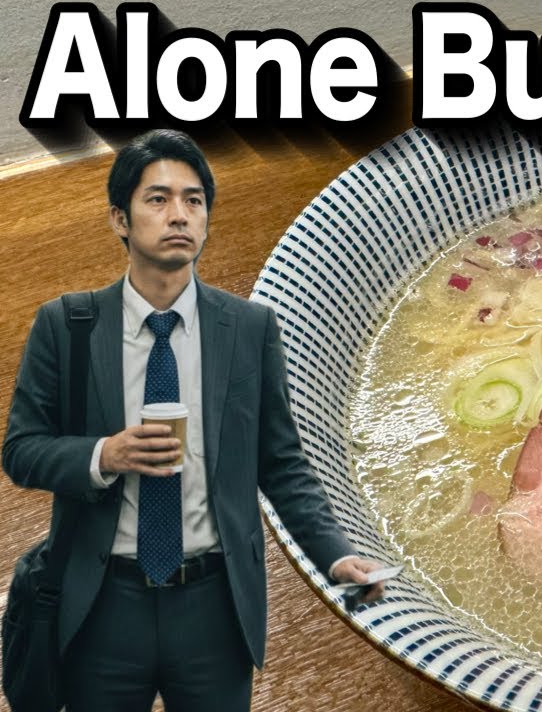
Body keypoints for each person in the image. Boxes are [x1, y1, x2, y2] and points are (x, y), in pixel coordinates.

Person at [2, 129, 386, 711]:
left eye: (194, 200)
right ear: (120, 220)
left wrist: (334, 552)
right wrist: (105, 455)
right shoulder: (67, 325)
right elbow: (22, 450)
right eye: (157, 199)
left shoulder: (250, 328)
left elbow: (280, 463)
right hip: (105, 603)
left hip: (214, 606)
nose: (178, 214)